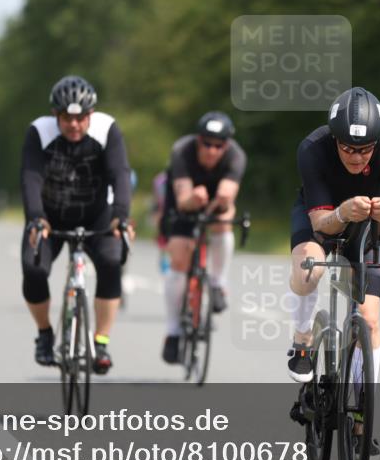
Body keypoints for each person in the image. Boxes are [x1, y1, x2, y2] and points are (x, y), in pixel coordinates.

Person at [286, 87, 380, 460]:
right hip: (321, 216)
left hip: (368, 227)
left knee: (369, 320)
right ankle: (303, 338)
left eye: (365, 149)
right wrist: (342, 213)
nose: (357, 157)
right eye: (348, 148)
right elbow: (322, 224)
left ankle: (361, 423)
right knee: (309, 267)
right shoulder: (313, 148)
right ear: (335, 139)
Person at [21, 75, 134, 370]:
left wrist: (121, 215)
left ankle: (101, 343)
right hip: (50, 214)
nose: (74, 125)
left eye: (81, 118)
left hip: (97, 213)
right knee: (34, 269)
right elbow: (31, 177)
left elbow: (120, 173)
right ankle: (45, 334)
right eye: (66, 118)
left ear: (90, 115)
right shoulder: (39, 132)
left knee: (111, 262)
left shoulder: (106, 129)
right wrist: (36, 218)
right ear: (54, 115)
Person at [160, 111, 247, 364]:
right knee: (178, 260)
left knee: (224, 218)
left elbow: (228, 193)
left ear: (226, 145)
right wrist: (193, 200)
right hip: (184, 198)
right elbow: (183, 199)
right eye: (206, 143)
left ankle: (218, 282)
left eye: (218, 145)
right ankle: (173, 331)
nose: (212, 150)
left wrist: (218, 203)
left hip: (215, 199)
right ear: (198, 140)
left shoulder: (236, 156)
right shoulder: (182, 151)